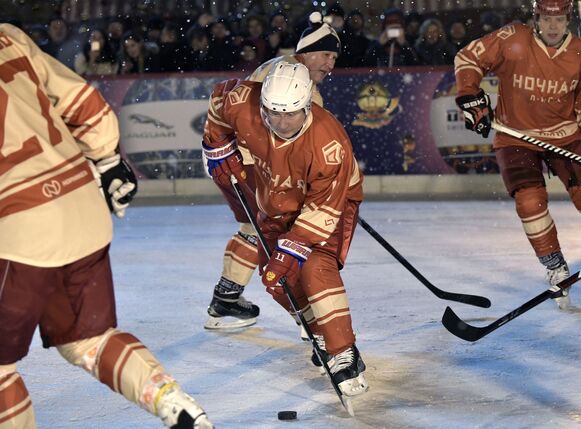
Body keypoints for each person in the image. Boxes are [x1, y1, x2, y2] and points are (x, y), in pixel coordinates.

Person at [0, 24, 213, 429]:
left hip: (18, 225)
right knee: (89, 342)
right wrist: (107, 159)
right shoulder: (8, 36)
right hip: (81, 202)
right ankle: (176, 404)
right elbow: (81, 99)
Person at [202, 61, 367, 397]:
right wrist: (217, 146)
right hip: (276, 198)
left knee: (314, 267)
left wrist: (292, 250)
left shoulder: (328, 143)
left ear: (307, 105)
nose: (281, 122)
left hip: (330, 202)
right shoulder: (243, 104)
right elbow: (218, 103)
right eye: (273, 113)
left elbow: (322, 211)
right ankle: (317, 327)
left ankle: (344, 353)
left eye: (291, 113)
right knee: (274, 278)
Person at [454, 0, 581, 309]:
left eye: (559, 19)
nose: (552, 26)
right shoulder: (512, 38)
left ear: (568, 19)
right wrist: (470, 95)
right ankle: (554, 264)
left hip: (566, 136)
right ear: (535, 18)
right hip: (515, 137)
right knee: (529, 202)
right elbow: (468, 57)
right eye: (546, 19)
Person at [203, 11, 342, 330]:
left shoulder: (279, 67)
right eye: (325, 54)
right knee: (278, 236)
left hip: (235, 163)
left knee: (252, 228)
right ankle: (308, 321)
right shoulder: (296, 81)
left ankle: (225, 299)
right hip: (254, 167)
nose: (330, 63)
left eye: (334, 57)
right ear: (306, 50)